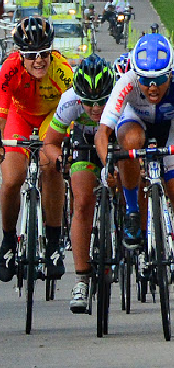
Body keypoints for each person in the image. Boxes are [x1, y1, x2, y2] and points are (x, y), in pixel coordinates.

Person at [95, 34, 174, 314]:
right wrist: (107, 166)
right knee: (128, 143)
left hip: (170, 127)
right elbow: (103, 134)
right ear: (135, 73)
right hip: (135, 124)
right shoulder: (126, 83)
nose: (152, 86)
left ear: (170, 74)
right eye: (145, 80)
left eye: (159, 79)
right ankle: (133, 212)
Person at [0, 17, 74, 282]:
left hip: (50, 118)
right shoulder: (9, 68)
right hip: (19, 117)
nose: (39, 60)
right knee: (11, 179)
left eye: (44, 53)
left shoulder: (62, 69)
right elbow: (1, 111)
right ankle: (8, 242)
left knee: (50, 165)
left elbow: (75, 106)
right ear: (21, 55)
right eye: (31, 55)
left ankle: (53, 242)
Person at [42, 55, 115, 312]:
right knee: (83, 202)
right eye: (88, 103)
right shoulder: (68, 101)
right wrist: (59, 159)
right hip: (83, 145)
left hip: (114, 141)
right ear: (78, 97)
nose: (95, 109)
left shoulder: (122, 98)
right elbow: (50, 143)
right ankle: (81, 278)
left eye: (102, 103)